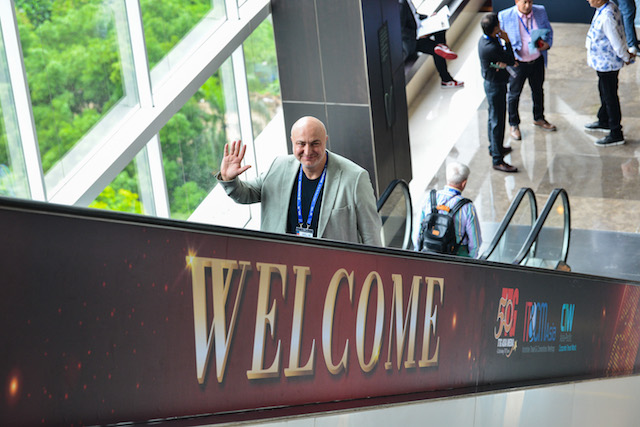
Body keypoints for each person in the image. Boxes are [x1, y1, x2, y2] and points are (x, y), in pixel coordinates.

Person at [216, 116, 383, 246]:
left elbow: (371, 236)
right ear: (292, 142)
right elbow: (246, 194)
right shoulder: (278, 167)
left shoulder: (355, 178)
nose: (308, 151)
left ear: (325, 140)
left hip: (334, 272)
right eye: (301, 144)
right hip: (283, 268)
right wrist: (229, 179)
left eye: (315, 143)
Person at [498, 0, 556, 141]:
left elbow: (548, 31)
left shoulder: (540, 10)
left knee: (538, 90)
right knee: (514, 94)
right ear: (516, 1)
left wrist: (547, 44)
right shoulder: (505, 16)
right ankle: (514, 124)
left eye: (530, 1)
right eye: (524, 2)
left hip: (537, 60)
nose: (528, 5)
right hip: (518, 63)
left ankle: (539, 118)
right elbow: (499, 41)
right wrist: (508, 57)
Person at [584, 0, 633, 146]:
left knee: (610, 97)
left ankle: (616, 132)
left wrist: (626, 57)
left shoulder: (607, 16)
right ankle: (603, 120)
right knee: (604, 92)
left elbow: (617, 42)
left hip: (607, 64)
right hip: (601, 63)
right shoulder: (607, 7)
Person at [414, 162, 482, 258]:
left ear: (447, 178)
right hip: (456, 255)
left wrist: (419, 253)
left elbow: (416, 234)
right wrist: (470, 260)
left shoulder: (429, 198)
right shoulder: (467, 207)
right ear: (464, 183)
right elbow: (475, 243)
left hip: (429, 252)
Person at [478, 12, 518, 172]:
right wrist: (507, 41)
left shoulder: (485, 40)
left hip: (492, 83)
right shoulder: (492, 48)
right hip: (495, 86)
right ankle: (497, 159)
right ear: (495, 28)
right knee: (497, 122)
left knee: (492, 117)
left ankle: (494, 148)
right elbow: (511, 59)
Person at [400, 0, 463, 88]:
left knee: (440, 27)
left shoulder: (406, 1)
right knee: (436, 50)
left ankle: (441, 46)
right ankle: (446, 79)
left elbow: (414, 16)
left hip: (419, 29)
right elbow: (401, 29)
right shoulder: (400, 4)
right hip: (411, 40)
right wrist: (417, 35)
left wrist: (429, 17)